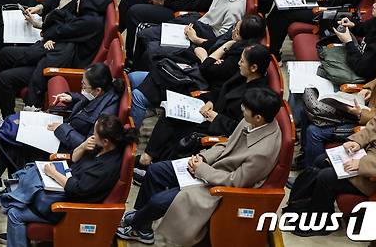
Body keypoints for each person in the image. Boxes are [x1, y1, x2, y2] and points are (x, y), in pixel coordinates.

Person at [116, 87, 282, 245]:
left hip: (219, 187)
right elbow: (226, 145)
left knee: (158, 201)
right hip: (211, 167)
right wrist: (202, 157)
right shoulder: (253, 121)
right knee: (155, 170)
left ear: (258, 117)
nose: (242, 109)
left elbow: (236, 181)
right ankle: (141, 223)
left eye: (245, 108)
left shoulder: (263, 151)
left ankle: (137, 223)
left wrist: (202, 169)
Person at [0, 63, 123, 193]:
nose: (82, 88)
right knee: (16, 133)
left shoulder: (106, 114)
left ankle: (4, 184)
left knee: (16, 140)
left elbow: (89, 144)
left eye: (84, 85)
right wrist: (73, 97)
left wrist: (61, 128)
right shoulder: (102, 95)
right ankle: (5, 184)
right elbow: (89, 101)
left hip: (69, 148)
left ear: (97, 90)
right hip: (65, 131)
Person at [0, 115, 137, 246]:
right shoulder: (101, 147)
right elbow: (73, 159)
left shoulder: (106, 168)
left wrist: (53, 173)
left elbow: (77, 188)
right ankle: (17, 233)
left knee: (14, 212)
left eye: (95, 133)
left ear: (106, 141)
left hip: (69, 207)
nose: (92, 135)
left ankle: (16, 234)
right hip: (64, 184)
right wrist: (82, 146)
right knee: (30, 174)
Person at [0, 0, 112, 124]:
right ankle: (6, 111)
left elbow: (52, 29)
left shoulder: (89, 21)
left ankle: (7, 120)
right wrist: (54, 34)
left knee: (5, 77)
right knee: (6, 56)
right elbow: (57, 26)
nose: (77, 1)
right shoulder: (85, 15)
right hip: (55, 52)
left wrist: (53, 34)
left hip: (59, 65)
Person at [136, 44, 272, 168]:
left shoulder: (257, 97)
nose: (238, 63)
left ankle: (151, 162)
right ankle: (149, 158)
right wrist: (211, 101)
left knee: (176, 126)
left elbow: (243, 127)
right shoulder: (244, 75)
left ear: (254, 67)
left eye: (242, 61)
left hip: (218, 126)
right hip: (210, 111)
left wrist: (217, 117)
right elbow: (222, 89)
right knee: (171, 112)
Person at [130, 14, 267, 128]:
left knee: (138, 95)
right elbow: (210, 48)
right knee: (133, 78)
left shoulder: (239, 57)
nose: (233, 32)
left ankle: (130, 140)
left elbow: (207, 69)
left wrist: (208, 56)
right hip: (193, 72)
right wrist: (209, 53)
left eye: (236, 31)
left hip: (197, 83)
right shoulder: (235, 43)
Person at [286, 108, 376, 237]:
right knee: (321, 160)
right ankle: (307, 208)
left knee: (326, 177)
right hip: (366, 152)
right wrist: (358, 142)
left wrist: (362, 164)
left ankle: (323, 222)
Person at [299, 35, 376, 168]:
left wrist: (360, 113)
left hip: (368, 122)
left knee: (314, 132)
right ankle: (305, 157)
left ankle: (311, 171)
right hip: (362, 106)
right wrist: (367, 89)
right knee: (306, 113)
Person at [330, 0, 376, 80]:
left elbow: (362, 69)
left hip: (362, 75)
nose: (374, 5)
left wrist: (348, 42)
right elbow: (364, 28)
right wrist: (353, 25)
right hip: (358, 56)